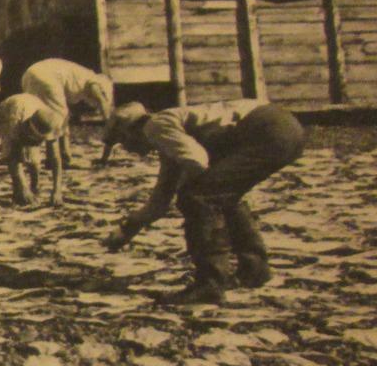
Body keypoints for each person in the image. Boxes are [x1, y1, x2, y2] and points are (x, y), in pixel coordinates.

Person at [101, 99, 306, 305]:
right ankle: (254, 270)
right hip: (283, 129)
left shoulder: (155, 127)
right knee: (222, 195)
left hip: (268, 130)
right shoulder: (168, 136)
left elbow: (197, 161)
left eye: (122, 142)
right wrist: (128, 228)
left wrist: (191, 197)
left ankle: (209, 285)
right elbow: (160, 200)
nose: (128, 150)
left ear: (130, 131)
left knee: (198, 196)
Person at [20, 58, 116, 170]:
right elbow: (101, 99)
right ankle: (62, 159)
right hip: (46, 76)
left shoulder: (83, 77)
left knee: (39, 116)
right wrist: (110, 123)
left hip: (29, 74)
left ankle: (15, 150)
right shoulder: (97, 82)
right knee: (60, 118)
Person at [0, 92, 67, 207]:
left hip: (26, 108)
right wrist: (23, 186)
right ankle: (19, 191)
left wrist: (57, 191)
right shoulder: (15, 120)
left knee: (33, 158)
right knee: (16, 152)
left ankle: (35, 186)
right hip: (1, 116)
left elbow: (56, 159)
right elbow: (13, 157)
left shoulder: (52, 123)